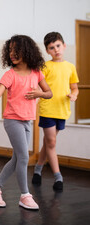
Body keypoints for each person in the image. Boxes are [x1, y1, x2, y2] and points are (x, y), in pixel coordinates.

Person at [0, 35, 52, 210]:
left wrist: (39, 93)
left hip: (27, 121)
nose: (12, 53)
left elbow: (49, 93)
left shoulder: (36, 73)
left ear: (27, 51)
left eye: (16, 50)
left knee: (17, 158)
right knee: (24, 156)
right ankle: (25, 195)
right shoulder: (10, 75)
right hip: (12, 120)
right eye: (9, 50)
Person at [32, 32, 79, 191]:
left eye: (58, 46)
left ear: (64, 46)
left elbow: (74, 87)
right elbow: (39, 87)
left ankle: (38, 169)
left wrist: (74, 95)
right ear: (47, 51)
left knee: (48, 142)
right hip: (47, 109)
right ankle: (58, 176)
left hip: (62, 109)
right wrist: (35, 99)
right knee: (51, 142)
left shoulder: (70, 67)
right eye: (52, 48)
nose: (56, 50)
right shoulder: (44, 67)